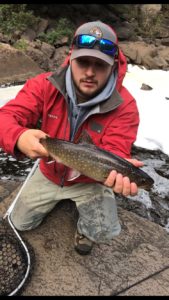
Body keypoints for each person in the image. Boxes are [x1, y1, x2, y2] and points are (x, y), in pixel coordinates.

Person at [0, 20, 143, 255]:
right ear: (71, 58)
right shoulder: (44, 85)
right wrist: (19, 136)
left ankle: (84, 226)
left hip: (89, 181)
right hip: (49, 170)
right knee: (20, 223)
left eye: (99, 65)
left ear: (113, 66)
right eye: (83, 62)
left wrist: (120, 167)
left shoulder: (125, 106)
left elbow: (116, 150)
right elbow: (6, 117)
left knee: (104, 232)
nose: (89, 72)